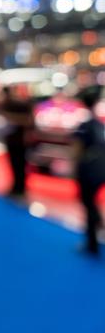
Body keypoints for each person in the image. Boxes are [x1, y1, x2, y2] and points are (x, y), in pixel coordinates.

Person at [72, 87, 105, 256]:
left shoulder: (84, 126)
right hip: (100, 170)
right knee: (91, 203)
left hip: (89, 172)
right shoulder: (100, 125)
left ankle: (92, 243)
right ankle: (98, 225)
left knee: (88, 203)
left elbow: (76, 152)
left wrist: (74, 170)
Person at [1, 86, 34, 199]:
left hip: (20, 141)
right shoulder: (10, 104)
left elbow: (28, 121)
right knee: (15, 164)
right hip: (13, 140)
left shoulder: (21, 105)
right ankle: (17, 187)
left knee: (20, 164)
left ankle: (20, 188)